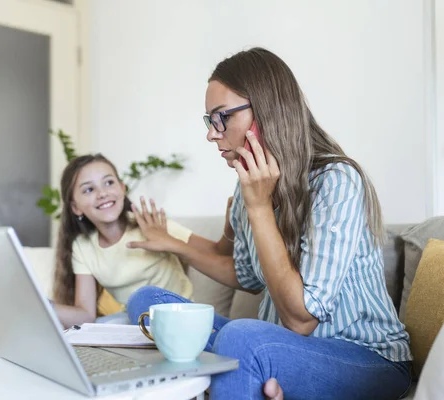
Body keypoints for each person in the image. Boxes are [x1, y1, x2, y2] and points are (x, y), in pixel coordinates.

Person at [125, 47, 413, 400]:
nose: (212, 134)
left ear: (265, 112)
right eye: (209, 120)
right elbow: (245, 275)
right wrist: (177, 242)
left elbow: (301, 320)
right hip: (282, 347)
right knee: (149, 305)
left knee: (243, 339)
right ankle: (256, 372)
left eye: (221, 117)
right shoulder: (247, 180)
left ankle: (252, 365)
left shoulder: (336, 181)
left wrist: (259, 208)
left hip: (367, 359)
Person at [50, 153, 194, 329]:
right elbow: (86, 315)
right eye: (89, 189)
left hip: (181, 317)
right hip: (138, 323)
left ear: (122, 188)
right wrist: (43, 304)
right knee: (96, 328)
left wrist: (170, 242)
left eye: (109, 182)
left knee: (143, 297)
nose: (102, 193)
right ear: (75, 207)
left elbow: (212, 253)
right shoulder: (83, 246)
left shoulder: (150, 225)